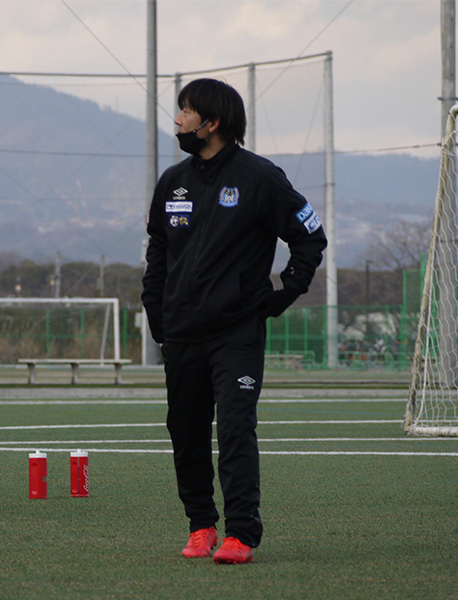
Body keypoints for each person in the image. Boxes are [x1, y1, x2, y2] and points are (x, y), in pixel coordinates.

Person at [141, 79, 327, 564]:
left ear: (212, 122)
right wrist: (155, 308)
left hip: (236, 333)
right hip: (181, 333)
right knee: (185, 429)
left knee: (236, 428)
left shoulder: (260, 178)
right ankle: (201, 525)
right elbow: (158, 251)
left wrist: (282, 293)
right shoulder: (173, 182)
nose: (178, 120)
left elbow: (310, 238)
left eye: (185, 111)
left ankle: (241, 534)